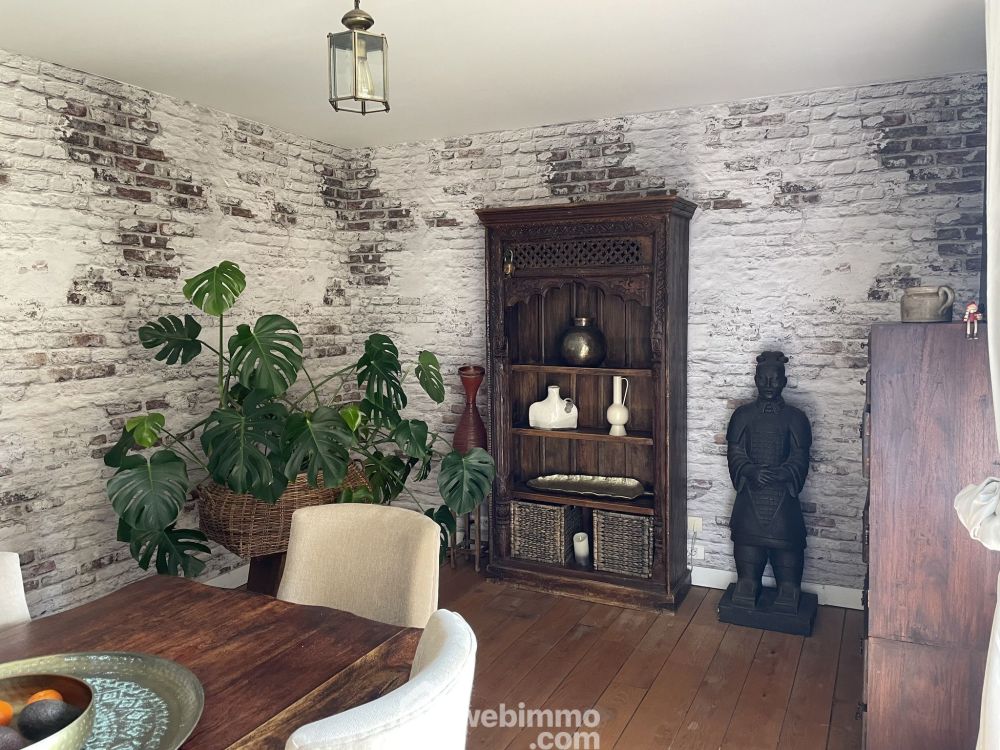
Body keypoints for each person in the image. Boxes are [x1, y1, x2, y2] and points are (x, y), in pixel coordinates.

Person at [727, 351, 812, 612]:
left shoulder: (796, 418)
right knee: (747, 551)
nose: (768, 385)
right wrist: (750, 471)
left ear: (784, 382)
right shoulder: (742, 415)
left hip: (783, 500)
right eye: (763, 379)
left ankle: (789, 589)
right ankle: (747, 584)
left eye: (774, 380)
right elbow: (735, 453)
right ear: (755, 380)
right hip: (750, 498)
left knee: (788, 550)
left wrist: (785, 473)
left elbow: (800, 457)